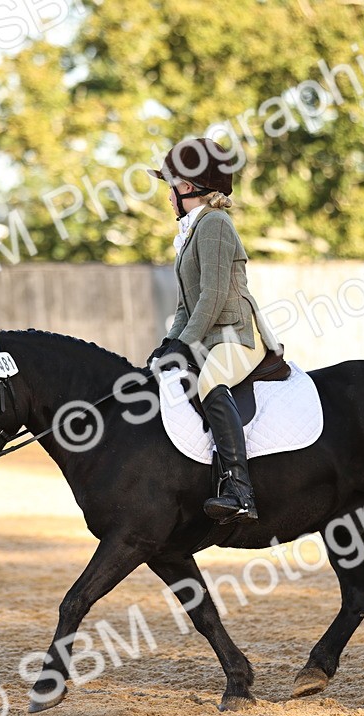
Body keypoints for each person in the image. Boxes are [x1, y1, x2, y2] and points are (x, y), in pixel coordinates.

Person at [145, 138, 282, 524]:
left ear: (187, 187)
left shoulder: (215, 224)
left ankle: (240, 491)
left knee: (209, 384)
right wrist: (170, 344)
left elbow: (215, 296)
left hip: (237, 335)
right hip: (208, 335)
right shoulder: (193, 230)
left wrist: (186, 344)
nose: (168, 196)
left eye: (170, 185)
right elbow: (185, 306)